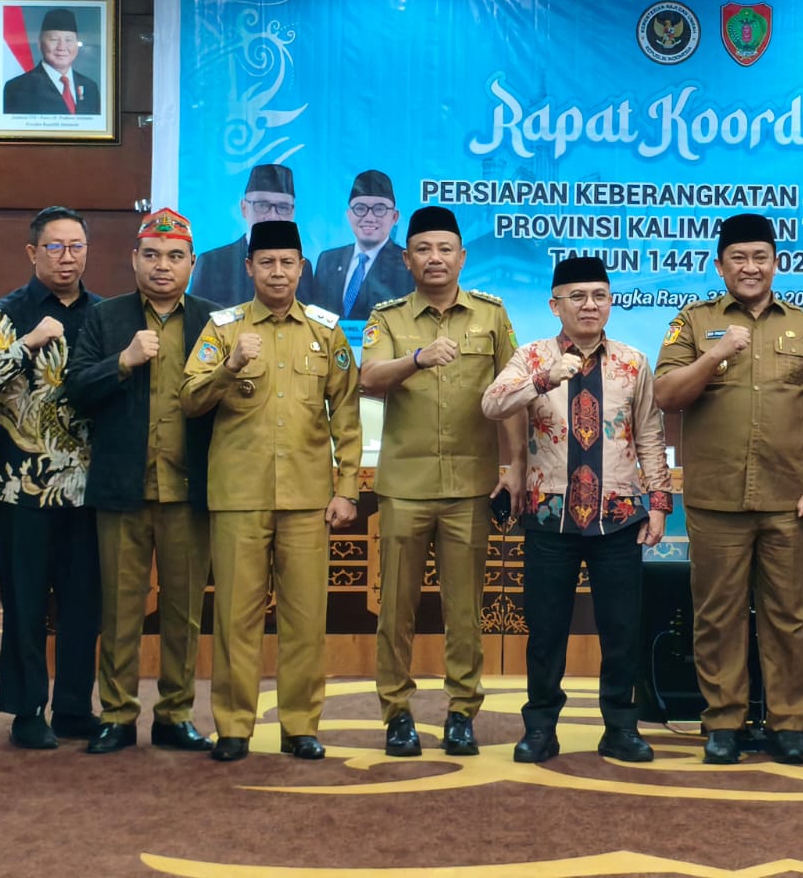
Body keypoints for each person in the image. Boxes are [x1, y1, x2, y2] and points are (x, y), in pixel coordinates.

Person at [654, 212, 803, 766]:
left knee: (790, 616)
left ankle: (789, 724)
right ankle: (724, 722)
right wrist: (715, 354)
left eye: (760, 256)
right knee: (718, 616)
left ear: (776, 263)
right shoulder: (693, 322)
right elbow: (666, 395)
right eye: (738, 258)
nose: (750, 267)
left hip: (791, 500)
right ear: (720, 266)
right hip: (716, 499)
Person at [179, 219, 361, 762]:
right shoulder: (223, 329)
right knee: (236, 618)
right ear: (249, 267)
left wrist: (347, 488)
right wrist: (229, 367)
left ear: (301, 268)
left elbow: (346, 416)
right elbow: (190, 399)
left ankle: (301, 726)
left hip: (307, 500)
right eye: (266, 262)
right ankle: (234, 727)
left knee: (305, 620)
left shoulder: (327, 332)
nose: (277, 272)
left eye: (286, 263)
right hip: (239, 497)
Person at [482, 255, 670, 764]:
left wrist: (658, 503)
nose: (590, 305)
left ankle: (621, 727)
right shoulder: (531, 356)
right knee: (545, 630)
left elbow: (650, 435)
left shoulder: (633, 361)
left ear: (610, 302)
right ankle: (541, 728)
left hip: (619, 516)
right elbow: (491, 404)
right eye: (578, 297)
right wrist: (543, 380)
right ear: (554, 305)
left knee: (621, 630)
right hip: (549, 517)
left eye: (599, 296)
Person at [359, 205, 524, 758]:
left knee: (464, 611)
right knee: (395, 610)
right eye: (423, 250)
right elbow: (369, 379)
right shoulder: (387, 318)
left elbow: (513, 393)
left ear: (462, 257)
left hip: (470, 487)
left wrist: (515, 465)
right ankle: (397, 714)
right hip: (404, 487)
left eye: (445, 249)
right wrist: (417, 358)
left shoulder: (491, 315)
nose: (435, 258)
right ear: (406, 260)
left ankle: (461, 713)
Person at [63, 208, 218, 755]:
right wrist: (123, 362)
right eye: (151, 255)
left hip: (190, 490)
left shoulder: (214, 321)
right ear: (134, 259)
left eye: (175, 256)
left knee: (183, 612)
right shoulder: (106, 318)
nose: (162, 266)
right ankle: (118, 715)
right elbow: (75, 389)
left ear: (192, 263)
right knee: (120, 609)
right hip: (122, 488)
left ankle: (175, 714)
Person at [0, 206, 102, 750]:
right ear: (32, 252)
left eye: (76, 246)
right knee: (24, 604)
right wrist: (27, 345)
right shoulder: (8, 313)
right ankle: (26, 711)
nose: (66, 257)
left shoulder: (104, 314)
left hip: (87, 487)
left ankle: (72, 707)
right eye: (54, 247)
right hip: (22, 486)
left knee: (82, 605)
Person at [188, 164, 313, 308]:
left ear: (293, 213)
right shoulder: (212, 263)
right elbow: (198, 317)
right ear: (244, 208)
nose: (272, 216)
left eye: (283, 207)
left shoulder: (303, 268)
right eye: (262, 205)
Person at [309, 170, 414, 320]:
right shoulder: (328, 260)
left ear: (394, 217)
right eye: (360, 208)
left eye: (379, 209)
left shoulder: (408, 264)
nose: (369, 218)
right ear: (349, 214)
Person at [1, 8, 102, 117]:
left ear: (77, 45)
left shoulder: (90, 87)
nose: (61, 47)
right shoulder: (17, 88)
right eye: (54, 39)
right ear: (40, 43)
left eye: (68, 40)